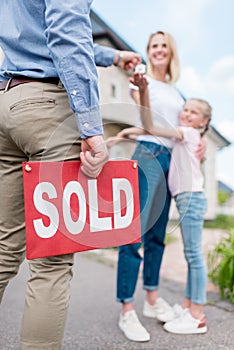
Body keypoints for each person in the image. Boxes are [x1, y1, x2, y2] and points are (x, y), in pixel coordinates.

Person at [0, 2, 140, 349]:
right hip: (49, 108)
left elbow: (41, 32)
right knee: (52, 261)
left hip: (9, 102)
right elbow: (65, 30)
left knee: (4, 248)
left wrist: (113, 57)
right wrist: (91, 127)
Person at [109, 31, 206, 342]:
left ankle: (151, 298)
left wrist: (200, 141)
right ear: (148, 52)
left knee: (157, 236)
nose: (159, 50)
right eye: (154, 46)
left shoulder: (178, 93)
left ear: (171, 51)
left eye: (164, 45)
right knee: (134, 232)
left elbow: (181, 129)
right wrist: (141, 96)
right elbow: (146, 119)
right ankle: (126, 307)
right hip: (149, 156)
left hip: (171, 161)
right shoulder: (140, 81)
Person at [118, 97, 211, 335]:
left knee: (193, 255)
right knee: (191, 254)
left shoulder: (188, 133)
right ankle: (188, 306)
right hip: (185, 196)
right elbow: (157, 134)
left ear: (204, 121)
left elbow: (156, 129)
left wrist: (136, 130)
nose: (187, 113)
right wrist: (128, 133)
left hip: (191, 196)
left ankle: (197, 315)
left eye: (194, 112)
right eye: (186, 109)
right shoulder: (184, 135)